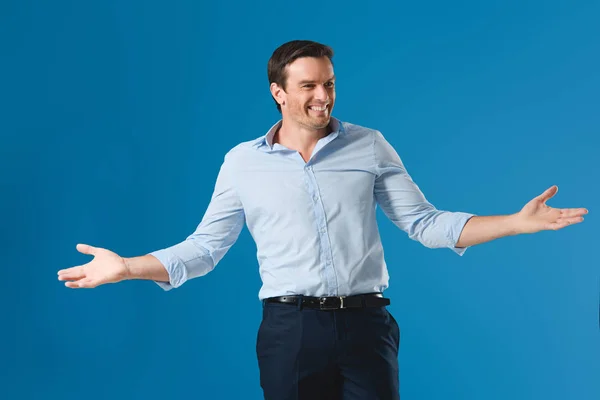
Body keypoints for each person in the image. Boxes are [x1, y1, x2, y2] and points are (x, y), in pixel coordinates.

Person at [57, 40, 588, 400]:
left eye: (329, 84)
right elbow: (203, 249)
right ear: (279, 92)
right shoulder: (243, 162)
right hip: (290, 330)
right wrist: (127, 267)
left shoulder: (369, 145)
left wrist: (515, 224)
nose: (323, 96)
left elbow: (426, 224)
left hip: (366, 325)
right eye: (309, 86)